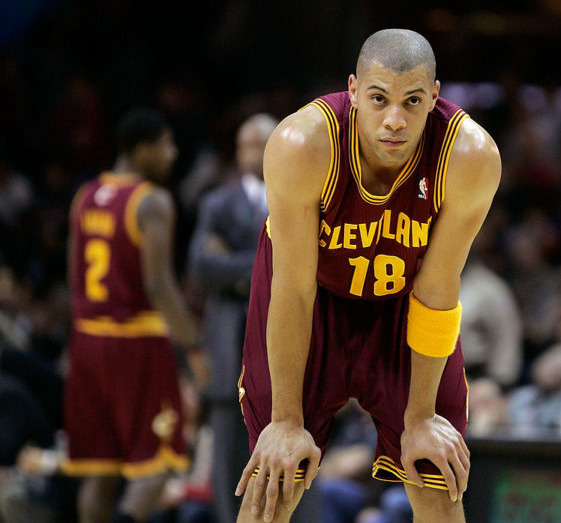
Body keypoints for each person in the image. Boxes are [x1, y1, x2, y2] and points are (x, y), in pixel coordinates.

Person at [235, 29, 500, 523]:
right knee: (275, 475)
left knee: (435, 471)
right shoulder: (302, 144)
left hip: (405, 304)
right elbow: (292, 289)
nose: (395, 120)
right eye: (379, 99)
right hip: (312, 299)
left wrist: (420, 417)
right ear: (353, 91)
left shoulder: (470, 157)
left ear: (435, 97)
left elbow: (438, 287)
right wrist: (287, 421)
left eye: (412, 102)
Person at [62, 108, 204, 523]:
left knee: (100, 471)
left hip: (87, 337)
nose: (173, 153)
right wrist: (194, 349)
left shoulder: (84, 195)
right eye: (165, 145)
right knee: (161, 464)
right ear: (142, 150)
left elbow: (74, 279)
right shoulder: (151, 200)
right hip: (135, 341)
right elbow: (159, 285)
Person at [188, 113, 276, 523]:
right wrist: (260, 269)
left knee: (282, 458)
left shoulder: (299, 198)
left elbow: (306, 263)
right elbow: (202, 266)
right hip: (228, 342)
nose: (250, 153)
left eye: (258, 144)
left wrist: (236, 267)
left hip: (279, 341)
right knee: (227, 466)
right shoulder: (217, 202)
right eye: (244, 145)